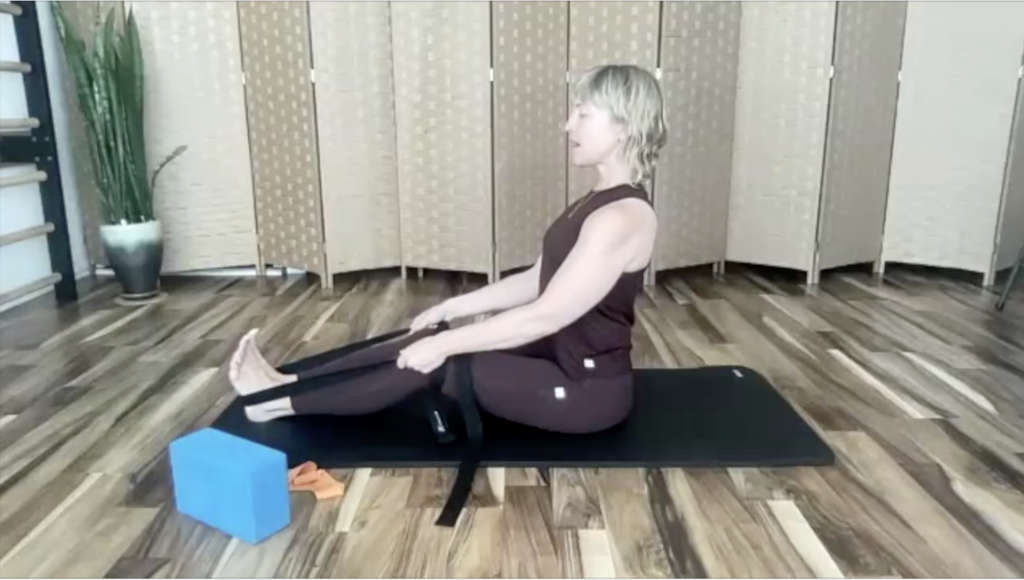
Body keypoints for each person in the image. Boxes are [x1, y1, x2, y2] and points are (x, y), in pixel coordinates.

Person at [228, 63, 667, 436]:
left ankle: (273, 405)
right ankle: (285, 382)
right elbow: (538, 278)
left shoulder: (621, 218)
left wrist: (448, 345)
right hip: (555, 359)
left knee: (442, 363)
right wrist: (451, 310)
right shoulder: (598, 201)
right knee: (432, 337)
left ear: (623, 126)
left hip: (584, 391)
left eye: (583, 114)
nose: (567, 125)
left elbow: (545, 314)